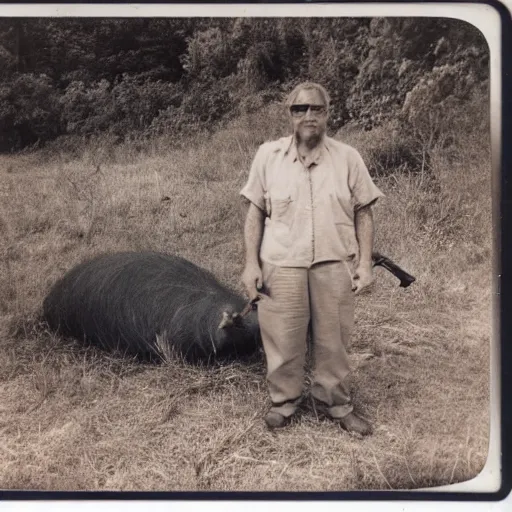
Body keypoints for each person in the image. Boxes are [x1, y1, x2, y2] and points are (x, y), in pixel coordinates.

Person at [240, 82, 384, 435]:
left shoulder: (348, 157)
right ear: (289, 115)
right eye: (300, 109)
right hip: (281, 263)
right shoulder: (268, 156)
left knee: (333, 341)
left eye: (316, 109)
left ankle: (336, 403)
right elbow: (254, 212)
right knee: (282, 338)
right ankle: (284, 401)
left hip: (333, 263)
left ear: (327, 113)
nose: (308, 116)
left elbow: (364, 210)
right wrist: (250, 264)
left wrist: (364, 263)